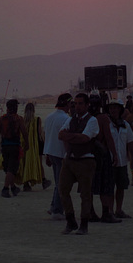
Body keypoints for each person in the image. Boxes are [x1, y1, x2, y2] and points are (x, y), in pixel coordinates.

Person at [58, 93, 99, 236]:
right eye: (75, 103)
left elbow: (85, 138)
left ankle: (84, 224)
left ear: (87, 105)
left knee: (85, 194)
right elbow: (61, 134)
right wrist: (76, 137)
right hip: (70, 158)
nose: (77, 106)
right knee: (63, 190)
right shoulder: (71, 119)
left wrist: (71, 137)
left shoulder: (92, 120)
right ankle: (71, 220)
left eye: (81, 103)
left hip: (85, 159)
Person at [89, 95, 121, 223]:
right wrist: (115, 154)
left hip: (88, 155)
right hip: (102, 155)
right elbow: (108, 138)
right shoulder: (102, 118)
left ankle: (90, 212)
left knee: (89, 186)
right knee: (105, 185)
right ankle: (106, 213)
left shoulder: (85, 117)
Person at [44, 93, 72, 220]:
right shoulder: (66, 118)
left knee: (57, 181)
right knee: (61, 183)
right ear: (67, 104)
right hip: (61, 153)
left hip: (51, 151)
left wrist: (47, 154)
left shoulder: (49, 117)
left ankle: (53, 206)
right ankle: (57, 210)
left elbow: (47, 136)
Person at [0, 99, 28, 198]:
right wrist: (27, 144)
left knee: (8, 168)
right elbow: (24, 133)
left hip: (4, 146)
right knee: (11, 169)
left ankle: (13, 187)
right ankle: (5, 188)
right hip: (14, 146)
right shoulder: (19, 119)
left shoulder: (2, 119)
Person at [107, 99, 133, 218]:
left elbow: (130, 142)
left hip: (122, 161)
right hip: (109, 161)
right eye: (111, 108)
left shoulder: (125, 125)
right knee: (109, 187)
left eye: (116, 107)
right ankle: (109, 210)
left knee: (121, 187)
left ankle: (119, 210)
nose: (113, 110)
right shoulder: (106, 124)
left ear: (120, 109)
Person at [20, 102, 51, 191]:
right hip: (36, 144)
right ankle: (43, 180)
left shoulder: (22, 120)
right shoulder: (37, 119)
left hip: (24, 144)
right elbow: (39, 133)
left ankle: (26, 183)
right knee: (38, 162)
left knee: (25, 162)